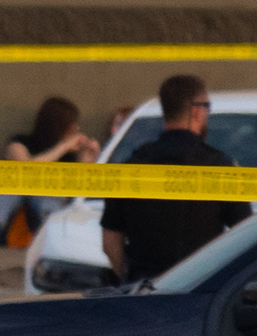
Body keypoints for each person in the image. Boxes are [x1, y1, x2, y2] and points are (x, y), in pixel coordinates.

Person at [98, 73, 242, 282]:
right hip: (200, 291)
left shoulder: (133, 166)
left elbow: (110, 240)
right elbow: (245, 232)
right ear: (197, 111)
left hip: (144, 292)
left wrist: (131, 277)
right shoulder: (219, 167)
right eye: (207, 108)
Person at [0, 96, 97, 247]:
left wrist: (88, 162)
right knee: (18, 182)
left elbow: (75, 194)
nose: (75, 129)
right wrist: (63, 147)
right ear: (57, 125)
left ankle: (55, 236)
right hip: (14, 215)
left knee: (45, 195)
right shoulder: (20, 142)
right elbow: (27, 168)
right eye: (71, 125)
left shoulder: (69, 156)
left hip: (47, 211)